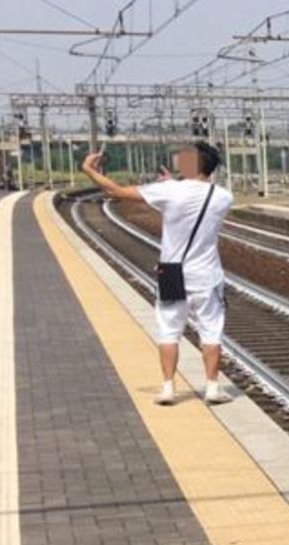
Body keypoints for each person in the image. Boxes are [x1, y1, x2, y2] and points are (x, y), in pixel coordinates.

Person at [81, 142, 235, 406]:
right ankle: (212, 387)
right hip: (207, 276)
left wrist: (88, 169)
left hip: (171, 273)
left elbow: (115, 191)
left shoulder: (168, 191)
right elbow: (190, 207)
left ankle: (167, 389)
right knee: (211, 332)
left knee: (169, 331)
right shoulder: (223, 197)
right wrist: (169, 186)